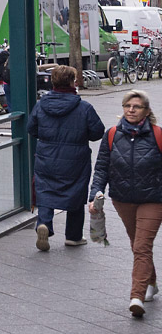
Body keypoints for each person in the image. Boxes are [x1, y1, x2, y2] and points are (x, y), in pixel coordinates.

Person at [89, 90, 162, 317]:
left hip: (153, 199)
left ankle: (136, 297)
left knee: (142, 246)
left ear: (146, 111)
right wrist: (95, 194)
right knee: (136, 243)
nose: (131, 110)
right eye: (127, 106)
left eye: (136, 106)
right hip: (122, 199)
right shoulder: (112, 134)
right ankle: (151, 282)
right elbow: (102, 167)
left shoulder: (158, 135)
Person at [28, 65, 104, 251]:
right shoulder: (84, 107)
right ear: (72, 82)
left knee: (45, 191)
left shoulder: (41, 105)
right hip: (75, 160)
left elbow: (31, 128)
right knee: (75, 193)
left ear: (53, 82)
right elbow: (97, 132)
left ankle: (44, 224)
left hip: (46, 158)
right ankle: (73, 236)